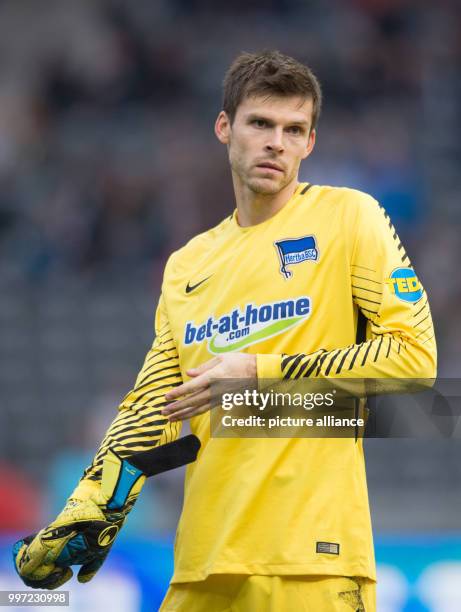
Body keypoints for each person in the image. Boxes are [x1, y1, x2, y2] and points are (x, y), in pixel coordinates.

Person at [14, 50, 436, 611]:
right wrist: (93, 507)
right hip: (201, 568)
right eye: (260, 123)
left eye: (294, 129)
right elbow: (155, 406)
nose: (276, 143)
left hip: (310, 563)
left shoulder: (349, 219)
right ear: (224, 127)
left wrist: (256, 372)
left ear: (310, 143)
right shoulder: (188, 264)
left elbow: (413, 358)